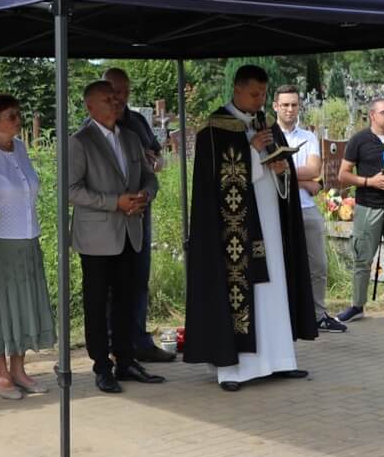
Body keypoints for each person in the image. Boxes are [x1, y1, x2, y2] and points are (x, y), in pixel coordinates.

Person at [181, 64, 317, 389]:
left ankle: (280, 360)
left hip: (270, 222)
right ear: (237, 89)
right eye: (255, 94)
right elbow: (216, 183)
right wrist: (253, 153)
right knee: (243, 293)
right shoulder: (214, 129)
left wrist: (281, 168)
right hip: (234, 233)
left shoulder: (265, 125)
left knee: (274, 288)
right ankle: (235, 369)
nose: (260, 101)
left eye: (263, 94)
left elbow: (280, 172)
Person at [67, 79, 165, 394]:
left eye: (117, 97)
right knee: (97, 303)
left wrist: (145, 196)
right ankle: (101, 366)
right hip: (97, 236)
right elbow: (71, 191)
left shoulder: (132, 138)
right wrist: (115, 203)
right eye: (108, 99)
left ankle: (126, 360)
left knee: (128, 298)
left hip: (130, 231)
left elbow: (150, 178)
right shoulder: (79, 142)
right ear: (90, 106)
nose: (115, 102)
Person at [0, 93, 55, 399]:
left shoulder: (20, 147)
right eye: (11, 116)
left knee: (24, 304)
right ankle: (1, 374)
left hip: (27, 238)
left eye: (19, 115)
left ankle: (20, 369)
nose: (18, 121)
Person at [103, 67, 175, 365]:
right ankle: (109, 342)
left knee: (138, 279)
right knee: (109, 284)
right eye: (114, 92)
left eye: (125, 92)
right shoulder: (91, 130)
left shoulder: (138, 122)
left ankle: (137, 340)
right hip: (107, 220)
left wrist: (153, 165)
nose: (120, 98)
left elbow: (159, 159)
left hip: (140, 215)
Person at [333, 97, 384, 324]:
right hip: (368, 207)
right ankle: (357, 306)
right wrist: (370, 182)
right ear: (372, 115)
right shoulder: (358, 140)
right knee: (362, 259)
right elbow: (343, 174)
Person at [275, 84, 346, 333]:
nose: (290, 109)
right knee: (280, 264)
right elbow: (265, 173)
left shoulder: (308, 137)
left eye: (294, 104)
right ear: (275, 106)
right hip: (276, 208)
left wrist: (283, 171)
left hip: (305, 209)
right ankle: (284, 316)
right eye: (285, 105)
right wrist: (303, 182)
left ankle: (317, 314)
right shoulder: (268, 137)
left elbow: (314, 170)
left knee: (318, 265)